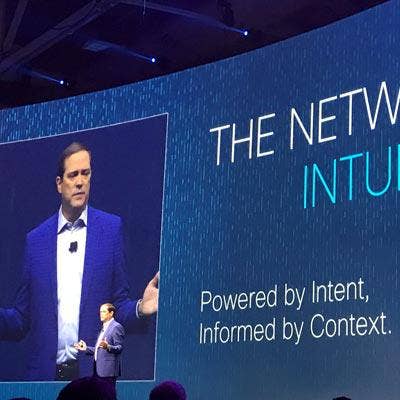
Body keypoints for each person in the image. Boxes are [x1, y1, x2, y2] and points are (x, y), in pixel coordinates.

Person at [0, 142, 159, 380]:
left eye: (85, 173)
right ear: (59, 183)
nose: (80, 182)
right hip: (45, 379)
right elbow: (21, 320)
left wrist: (140, 309)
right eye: (73, 175)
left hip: (92, 377)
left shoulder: (110, 230)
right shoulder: (36, 240)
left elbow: (116, 309)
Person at [74, 303, 124, 398]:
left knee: (108, 396)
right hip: (98, 370)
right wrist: (86, 348)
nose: (101, 314)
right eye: (100, 312)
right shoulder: (104, 328)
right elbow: (100, 350)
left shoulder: (116, 327)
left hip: (108, 372)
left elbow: (119, 348)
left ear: (111, 313)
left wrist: (108, 346)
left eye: (104, 312)